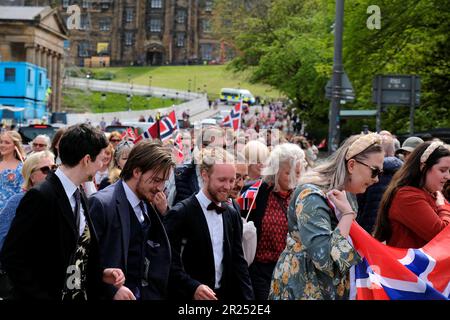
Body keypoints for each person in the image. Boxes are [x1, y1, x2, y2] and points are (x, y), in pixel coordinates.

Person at [1, 124, 124, 300]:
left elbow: (74, 251)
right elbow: (13, 257)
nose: (101, 166)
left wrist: (101, 274)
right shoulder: (41, 196)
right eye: (101, 159)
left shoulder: (78, 192)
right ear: (87, 159)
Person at [269, 133, 384, 300]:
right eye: (374, 171)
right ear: (351, 165)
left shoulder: (347, 195)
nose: (377, 179)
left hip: (329, 289)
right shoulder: (310, 195)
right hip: (305, 288)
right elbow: (325, 260)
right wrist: (347, 215)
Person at [164, 147, 254, 300]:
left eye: (231, 180)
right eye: (221, 180)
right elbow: (168, 261)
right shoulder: (181, 213)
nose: (228, 186)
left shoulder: (231, 214)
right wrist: (193, 287)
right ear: (205, 175)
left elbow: (239, 262)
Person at [89, 141, 175, 300]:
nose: (160, 187)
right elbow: (85, 261)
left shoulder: (148, 203)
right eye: (156, 180)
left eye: (164, 181)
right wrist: (112, 290)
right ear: (136, 171)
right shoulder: (102, 204)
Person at [241, 143, 305, 300]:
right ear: (275, 171)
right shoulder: (255, 193)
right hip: (260, 270)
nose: (292, 178)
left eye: (297, 173)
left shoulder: (303, 195)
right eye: (287, 173)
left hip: (291, 270)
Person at [373, 141, 450, 248]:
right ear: (423, 167)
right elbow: (440, 235)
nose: (448, 176)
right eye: (443, 170)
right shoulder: (407, 196)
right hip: (410, 264)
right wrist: (443, 207)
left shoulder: (432, 193)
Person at [0, 151, 55, 251]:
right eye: (45, 170)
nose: (52, 172)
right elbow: (2, 238)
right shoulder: (17, 201)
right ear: (31, 176)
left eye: (54, 168)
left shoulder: (61, 199)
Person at [356, 134, 403, 233]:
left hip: (367, 225)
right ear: (393, 151)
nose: (376, 179)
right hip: (391, 228)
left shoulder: (367, 170)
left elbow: (359, 201)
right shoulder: (404, 172)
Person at [0, 131, 25, 211]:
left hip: (10, 213)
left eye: (7, 143)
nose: (2, 145)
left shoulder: (21, 167)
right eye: (1, 142)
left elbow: (22, 194)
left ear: (15, 146)